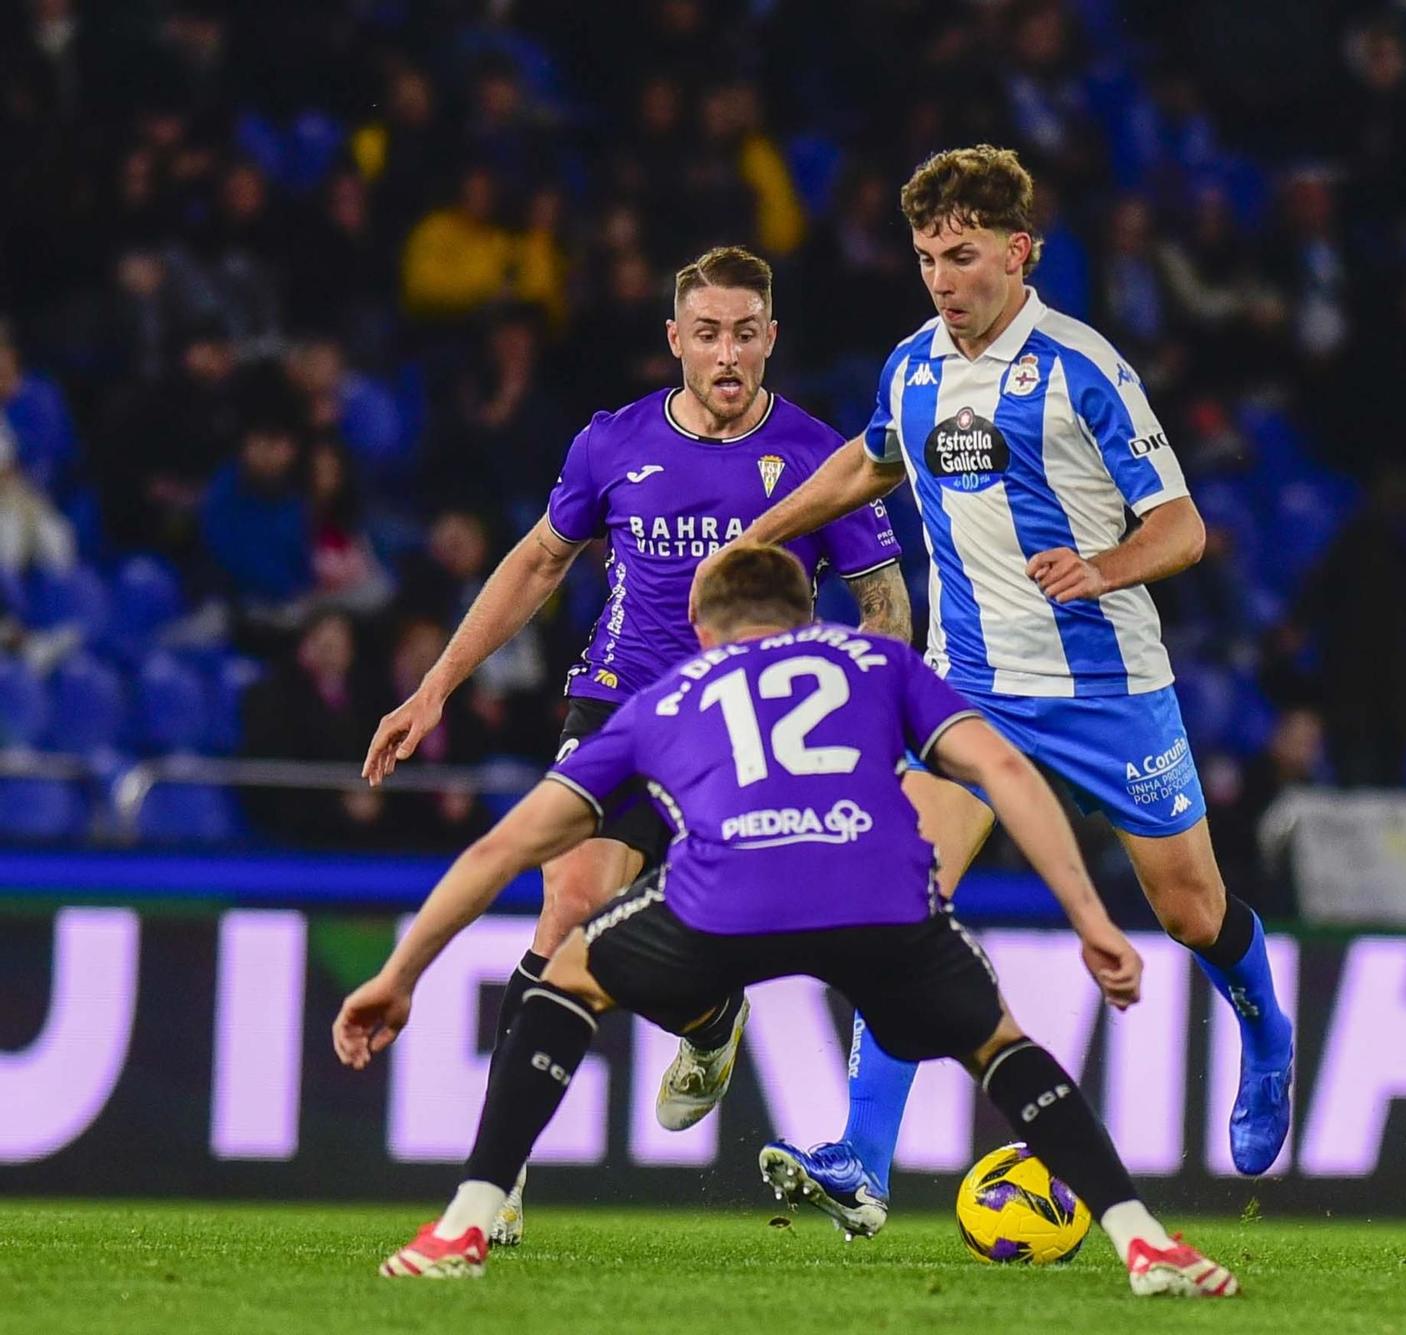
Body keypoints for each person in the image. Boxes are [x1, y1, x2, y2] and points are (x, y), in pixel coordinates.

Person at [333, 547, 1239, 1299]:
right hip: (878, 898)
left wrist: (399, 974)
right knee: (998, 1043)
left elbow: (500, 849)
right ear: (810, 619)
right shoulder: (884, 666)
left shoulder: (669, 699)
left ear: (700, 631)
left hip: (727, 902)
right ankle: (1143, 1240)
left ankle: (466, 1222)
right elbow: (1002, 769)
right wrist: (1090, 917)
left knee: (566, 975)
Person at [697, 145, 1294, 1235]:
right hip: (970, 692)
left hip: (1107, 691)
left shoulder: (1082, 368)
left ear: (1017, 252)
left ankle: (1262, 1029)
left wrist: (1101, 566)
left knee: (1189, 911)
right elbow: (869, 461)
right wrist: (760, 534)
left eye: (960, 255)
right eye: (925, 255)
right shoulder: (913, 365)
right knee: (894, 898)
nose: (939, 277)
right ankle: (860, 1161)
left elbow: (1183, 526)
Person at [360, 246, 916, 1245]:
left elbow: (881, 598)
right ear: (675, 340)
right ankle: (500, 1181)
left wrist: (870, 719)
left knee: (706, 944)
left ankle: (707, 1019)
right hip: (619, 712)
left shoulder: (821, 454)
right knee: (566, 909)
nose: (727, 352)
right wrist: (436, 688)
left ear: (770, 338)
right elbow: (537, 562)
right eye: (706, 333)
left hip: (749, 735)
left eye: (746, 332)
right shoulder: (610, 445)